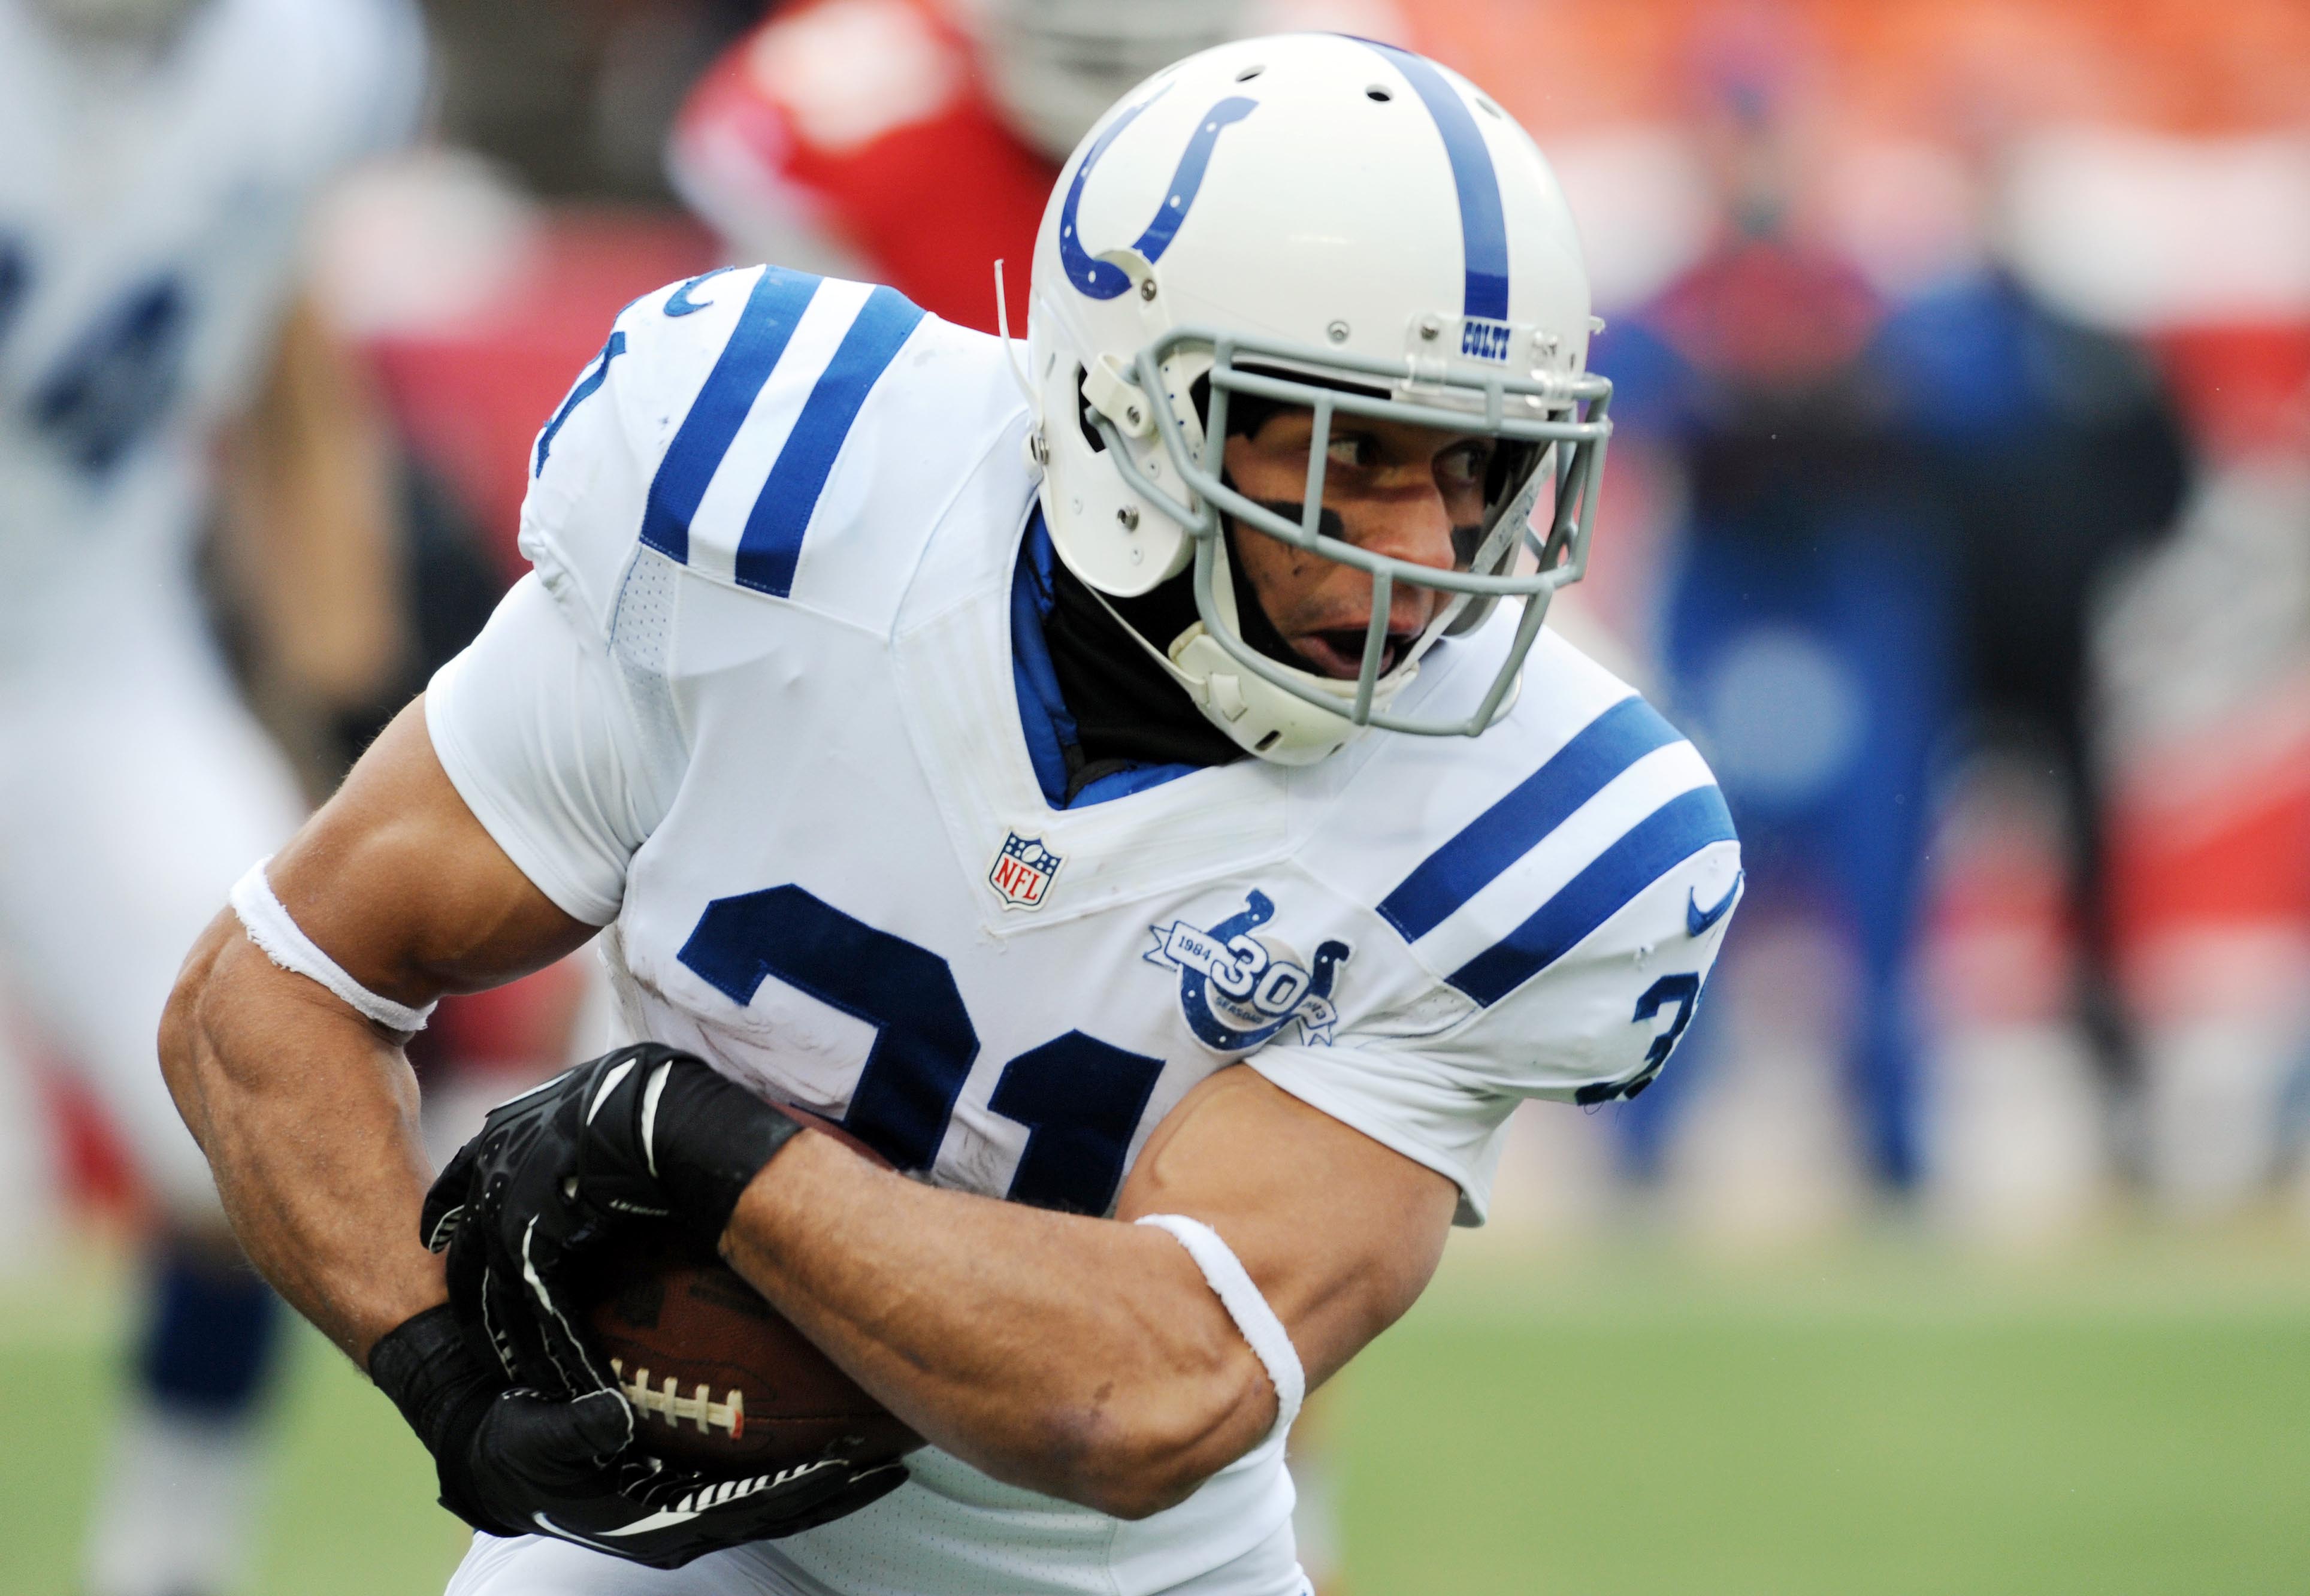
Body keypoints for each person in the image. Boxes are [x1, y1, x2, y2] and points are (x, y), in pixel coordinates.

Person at [161, 34, 1740, 1596]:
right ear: (1138, 415)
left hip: (1112, 1576)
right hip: (676, 1538)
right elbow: (272, 987)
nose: (1429, 552)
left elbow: (1148, 1396)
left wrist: (718, 1151)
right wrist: (436, 1367)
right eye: (1348, 455)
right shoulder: (784, 496)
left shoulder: (1540, 829)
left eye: (1479, 467)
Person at [0, 1, 423, 1592]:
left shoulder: (311, 60)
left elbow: (285, 366)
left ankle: (162, 1570)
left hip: (91, 646)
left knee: (266, 1100)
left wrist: (349, 700)